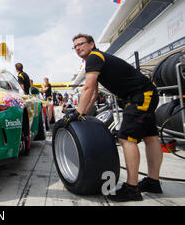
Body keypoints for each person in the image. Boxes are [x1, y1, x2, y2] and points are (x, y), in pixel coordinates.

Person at [65, 33, 163, 202]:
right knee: (150, 137)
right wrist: (84, 115)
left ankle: (132, 189)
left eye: (81, 44)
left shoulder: (94, 57)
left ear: (91, 44)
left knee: (126, 138)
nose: (78, 48)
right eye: (75, 46)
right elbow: (94, 92)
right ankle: (153, 182)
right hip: (144, 93)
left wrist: (78, 113)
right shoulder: (96, 58)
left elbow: (88, 88)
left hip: (139, 95)